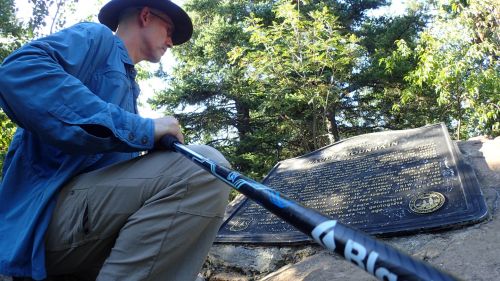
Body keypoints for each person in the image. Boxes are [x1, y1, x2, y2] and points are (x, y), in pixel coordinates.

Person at [0, 0, 231, 280]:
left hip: (76, 231)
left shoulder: (129, 87)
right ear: (145, 16)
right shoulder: (97, 39)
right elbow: (19, 71)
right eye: (169, 30)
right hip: (37, 225)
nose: (171, 42)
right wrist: (142, 129)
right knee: (204, 168)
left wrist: (145, 143)